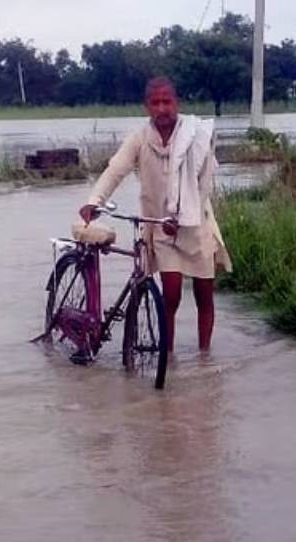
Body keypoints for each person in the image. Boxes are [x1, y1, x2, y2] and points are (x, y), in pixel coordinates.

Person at [79, 77, 231, 354]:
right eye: (155, 103)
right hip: (161, 226)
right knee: (170, 295)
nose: (162, 108)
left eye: (167, 101)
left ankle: (204, 358)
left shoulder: (196, 135)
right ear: (147, 107)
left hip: (196, 223)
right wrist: (94, 201)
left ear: (177, 103)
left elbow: (206, 181)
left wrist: (185, 209)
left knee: (204, 295)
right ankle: (167, 355)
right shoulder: (140, 140)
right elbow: (115, 171)